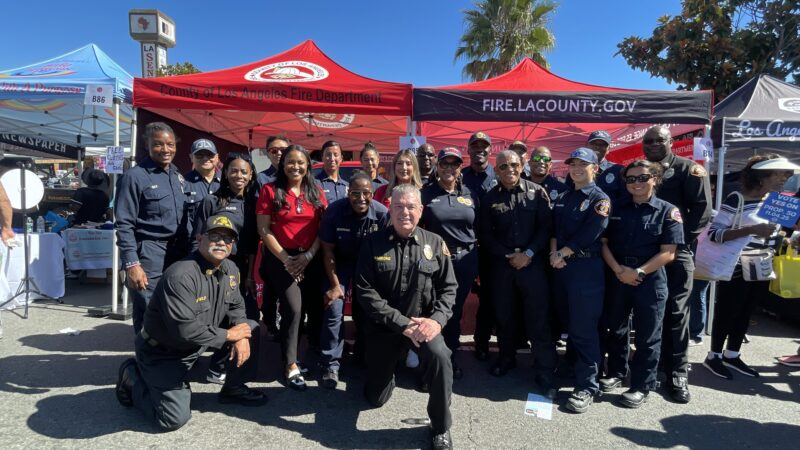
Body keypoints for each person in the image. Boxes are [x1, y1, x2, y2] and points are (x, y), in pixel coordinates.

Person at [114, 215, 267, 431]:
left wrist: (240, 334)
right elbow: (184, 329)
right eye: (215, 236)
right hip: (163, 353)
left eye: (227, 239)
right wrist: (229, 336)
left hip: (195, 346)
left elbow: (236, 306)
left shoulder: (231, 269)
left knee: (251, 327)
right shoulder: (181, 275)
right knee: (172, 419)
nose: (221, 242)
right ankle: (132, 377)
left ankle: (234, 387)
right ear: (200, 238)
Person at [355, 184, 457, 450]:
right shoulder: (372, 243)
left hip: (423, 327)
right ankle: (392, 369)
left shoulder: (435, 243)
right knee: (374, 399)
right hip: (386, 329)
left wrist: (436, 320)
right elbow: (365, 292)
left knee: (441, 357)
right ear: (390, 208)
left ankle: (441, 427)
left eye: (411, 206)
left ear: (421, 210)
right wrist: (402, 325)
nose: (405, 212)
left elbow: (449, 288)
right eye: (399, 206)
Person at [703, 155, 798, 379]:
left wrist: (786, 239)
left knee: (746, 311)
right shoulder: (737, 199)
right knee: (728, 310)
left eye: (785, 174)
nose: (784, 178)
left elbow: (777, 233)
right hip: (735, 265)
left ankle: (732, 354)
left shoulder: (774, 201)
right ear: (761, 176)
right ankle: (714, 355)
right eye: (778, 173)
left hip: (762, 264)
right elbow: (714, 234)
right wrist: (751, 230)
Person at [600, 160, 683, 409]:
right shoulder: (616, 207)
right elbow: (603, 243)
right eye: (630, 179)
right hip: (618, 273)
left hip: (650, 278)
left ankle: (641, 385)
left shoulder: (668, 211)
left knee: (648, 335)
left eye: (642, 177)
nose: (636, 183)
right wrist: (618, 270)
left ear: (654, 179)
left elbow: (669, 253)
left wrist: (638, 272)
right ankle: (616, 372)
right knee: (615, 328)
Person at [642, 125, 712, 404]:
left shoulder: (688, 170)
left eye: (659, 140)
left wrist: (677, 242)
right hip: (647, 253)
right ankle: (655, 364)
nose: (653, 144)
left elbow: (701, 213)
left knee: (676, 312)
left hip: (678, 252)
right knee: (650, 310)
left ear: (670, 141)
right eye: (648, 141)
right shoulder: (642, 170)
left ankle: (677, 372)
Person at [479, 150, 557, 387]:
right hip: (503, 266)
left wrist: (529, 254)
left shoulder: (537, 193)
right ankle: (506, 358)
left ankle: (544, 367)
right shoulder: (489, 198)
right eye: (503, 166)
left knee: (538, 318)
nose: (509, 170)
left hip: (533, 265)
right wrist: (507, 255)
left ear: (522, 165)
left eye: (513, 164)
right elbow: (484, 234)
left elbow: (546, 229)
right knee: (504, 316)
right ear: (496, 170)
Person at [256, 144, 327, 391]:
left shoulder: (316, 191)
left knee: (307, 310)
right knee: (294, 310)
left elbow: (322, 230)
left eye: (300, 162)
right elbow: (264, 230)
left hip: (310, 258)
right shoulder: (269, 190)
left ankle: (295, 356)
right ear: (282, 164)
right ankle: (290, 365)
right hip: (281, 260)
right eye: (290, 162)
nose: (295, 167)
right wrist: (287, 259)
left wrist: (307, 256)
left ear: (307, 165)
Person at [549, 148, 610, 411]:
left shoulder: (599, 198)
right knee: (569, 325)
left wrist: (562, 253)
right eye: (573, 163)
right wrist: (554, 254)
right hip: (561, 267)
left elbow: (590, 233)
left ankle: (587, 386)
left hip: (585, 268)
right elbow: (554, 229)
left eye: (583, 164)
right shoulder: (564, 196)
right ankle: (574, 370)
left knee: (584, 329)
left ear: (595, 168)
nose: (576, 168)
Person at [192, 153, 259, 384]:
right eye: (234, 170)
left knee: (247, 316)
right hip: (214, 268)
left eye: (244, 171)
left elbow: (251, 245)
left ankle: (235, 364)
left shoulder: (253, 203)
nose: (238, 175)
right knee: (216, 316)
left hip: (242, 269)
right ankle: (211, 365)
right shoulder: (212, 201)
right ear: (226, 172)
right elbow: (198, 237)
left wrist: (250, 276)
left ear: (251, 175)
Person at [115, 122, 186, 335]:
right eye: (158, 144)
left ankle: (168, 357)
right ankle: (147, 362)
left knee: (174, 306)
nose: (166, 149)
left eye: (170, 144)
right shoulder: (134, 177)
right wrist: (132, 264)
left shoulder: (175, 174)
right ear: (147, 145)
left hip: (177, 252)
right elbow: (124, 223)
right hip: (148, 253)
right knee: (149, 308)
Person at [318, 173, 388, 388]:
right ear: (348, 194)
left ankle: (362, 353)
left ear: (372, 194)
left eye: (366, 193)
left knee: (366, 310)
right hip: (339, 264)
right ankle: (331, 365)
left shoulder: (382, 214)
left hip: (367, 266)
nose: (361, 198)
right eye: (355, 193)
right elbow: (327, 250)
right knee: (334, 309)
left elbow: (385, 252)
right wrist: (334, 285)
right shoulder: (335, 211)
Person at [420, 148, 478, 380]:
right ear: (437, 165)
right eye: (445, 164)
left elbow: (479, 228)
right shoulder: (426, 193)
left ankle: (449, 359)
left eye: (454, 164)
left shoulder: (469, 193)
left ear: (460, 168)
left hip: (466, 261)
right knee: (435, 309)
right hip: (438, 262)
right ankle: (431, 360)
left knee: (454, 312)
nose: (449, 168)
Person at [461, 131, 498, 361]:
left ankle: (482, 342)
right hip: (466, 247)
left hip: (492, 249)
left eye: (484, 146)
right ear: (468, 150)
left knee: (489, 298)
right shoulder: (460, 176)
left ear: (490, 150)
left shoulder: (500, 175)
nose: (480, 150)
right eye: (475, 146)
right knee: (455, 296)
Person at [250, 135, 291, 336]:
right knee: (269, 288)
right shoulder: (261, 180)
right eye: (274, 150)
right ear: (267, 153)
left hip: (292, 244)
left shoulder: (296, 175)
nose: (279, 154)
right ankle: (270, 323)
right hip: (268, 244)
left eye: (283, 149)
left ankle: (286, 325)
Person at [183, 139, 222, 251]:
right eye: (199, 155)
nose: (205, 158)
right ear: (191, 157)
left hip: (221, 246)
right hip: (192, 248)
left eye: (210, 155)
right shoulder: (183, 183)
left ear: (217, 157)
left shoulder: (228, 182)